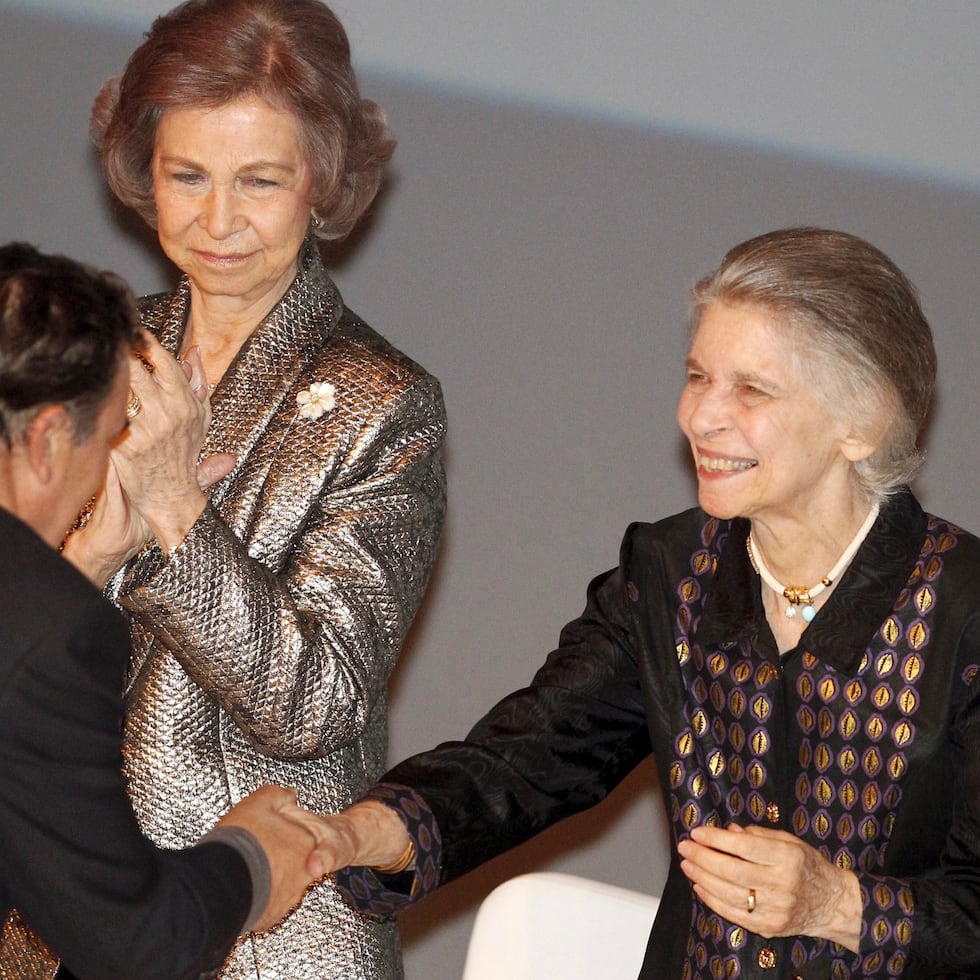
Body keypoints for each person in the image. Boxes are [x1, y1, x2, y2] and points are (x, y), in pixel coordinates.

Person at [303, 228, 980, 979]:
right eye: (698, 376)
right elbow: (530, 759)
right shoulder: (670, 575)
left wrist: (838, 906)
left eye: (752, 389)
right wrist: (363, 832)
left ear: (864, 423)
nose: (700, 417)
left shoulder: (965, 614)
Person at [5, 2, 447, 979]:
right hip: (63, 911)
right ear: (142, 175)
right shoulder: (98, 353)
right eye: (186, 177)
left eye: (260, 181)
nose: (216, 220)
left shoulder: (384, 403)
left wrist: (179, 514)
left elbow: (317, 702)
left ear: (323, 179)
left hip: (264, 928)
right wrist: (92, 557)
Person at [0, 242, 326, 979]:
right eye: (114, 429)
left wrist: (88, 561)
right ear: (50, 439)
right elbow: (135, 945)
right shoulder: (54, 633)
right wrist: (252, 858)